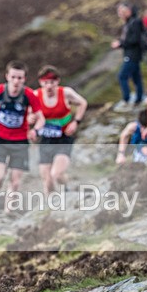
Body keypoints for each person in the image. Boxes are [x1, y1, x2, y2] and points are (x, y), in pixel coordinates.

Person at [0, 60, 45, 199]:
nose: (16, 81)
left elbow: (41, 118)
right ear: (7, 76)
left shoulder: (29, 95)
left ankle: (9, 211)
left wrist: (35, 131)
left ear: (24, 79)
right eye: (13, 77)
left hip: (20, 141)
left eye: (19, 78)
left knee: (15, 182)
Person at [32, 65, 88, 195]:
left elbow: (83, 103)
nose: (49, 86)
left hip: (64, 138)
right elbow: (28, 112)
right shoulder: (35, 95)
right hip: (46, 139)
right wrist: (30, 119)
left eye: (52, 82)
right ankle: (49, 209)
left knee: (56, 174)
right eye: (46, 83)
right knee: (47, 180)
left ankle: (66, 188)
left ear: (57, 82)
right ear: (41, 82)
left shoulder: (66, 92)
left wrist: (76, 122)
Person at [111, 2, 146, 105]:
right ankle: (139, 98)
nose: (120, 14)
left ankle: (126, 99)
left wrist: (120, 43)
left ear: (129, 11)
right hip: (132, 54)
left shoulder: (135, 22)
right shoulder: (130, 22)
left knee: (122, 76)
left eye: (122, 12)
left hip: (133, 55)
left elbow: (134, 39)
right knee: (136, 77)